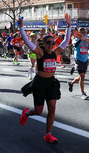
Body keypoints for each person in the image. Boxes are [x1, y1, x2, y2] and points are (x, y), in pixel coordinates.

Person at [19, 14, 72, 143]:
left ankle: (48, 134)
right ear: (44, 43)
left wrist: (69, 26)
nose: (50, 45)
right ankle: (26, 114)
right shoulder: (40, 52)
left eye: (52, 43)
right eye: (48, 43)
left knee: (52, 107)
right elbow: (27, 41)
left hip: (51, 83)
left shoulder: (56, 52)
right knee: (38, 111)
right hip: (40, 83)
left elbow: (66, 40)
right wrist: (21, 28)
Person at [67, 27, 89, 100]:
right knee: (82, 76)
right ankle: (83, 93)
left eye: (83, 32)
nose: (82, 33)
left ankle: (71, 83)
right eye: (81, 32)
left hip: (85, 59)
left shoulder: (86, 39)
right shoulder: (76, 39)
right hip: (78, 58)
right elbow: (75, 45)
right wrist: (80, 39)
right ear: (78, 33)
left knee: (81, 77)